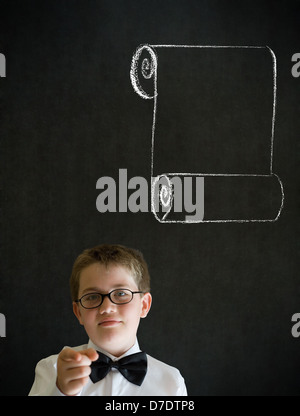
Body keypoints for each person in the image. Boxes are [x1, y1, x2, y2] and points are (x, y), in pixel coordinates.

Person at [29, 244, 187, 396]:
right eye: (92, 297)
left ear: (144, 305)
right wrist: (60, 391)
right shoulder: (52, 369)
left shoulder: (172, 381)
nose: (107, 308)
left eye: (120, 293)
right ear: (78, 312)